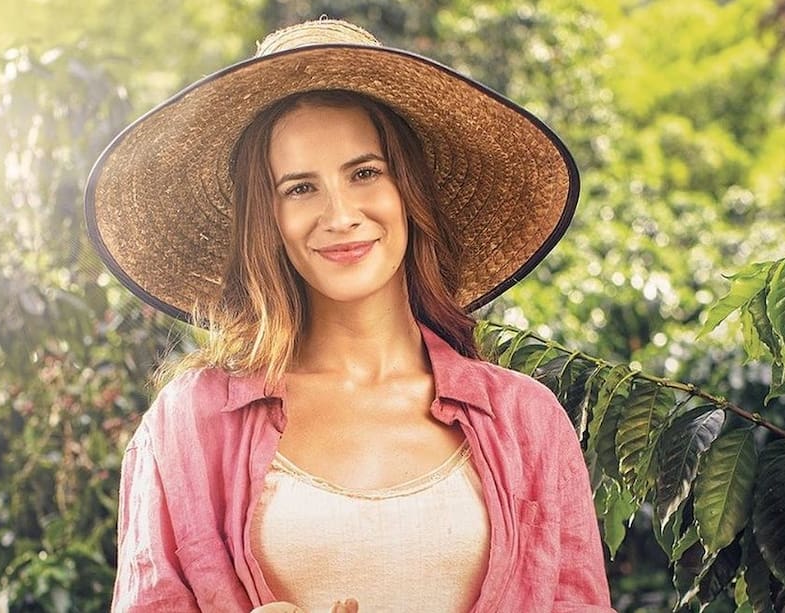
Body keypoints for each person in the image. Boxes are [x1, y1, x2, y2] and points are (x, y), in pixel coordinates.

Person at [85, 18, 613, 613]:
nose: (339, 215)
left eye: (365, 173)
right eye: (300, 188)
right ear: (270, 220)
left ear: (408, 192)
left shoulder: (525, 422)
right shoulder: (189, 426)